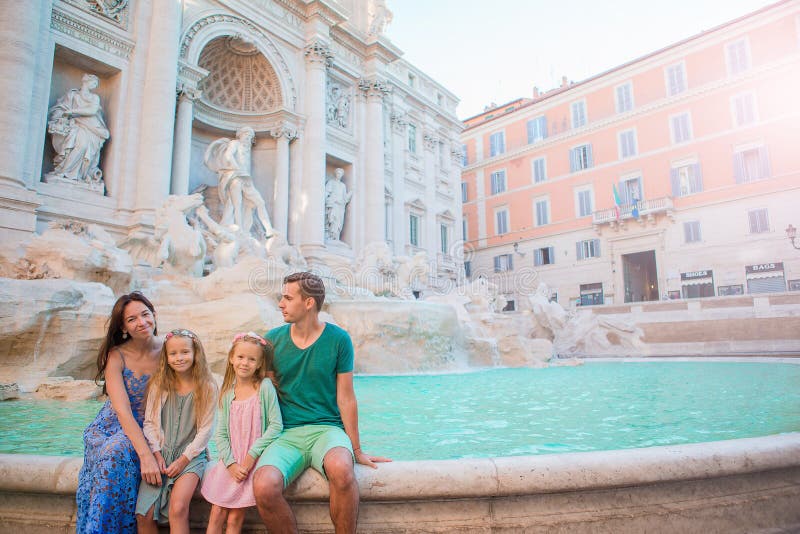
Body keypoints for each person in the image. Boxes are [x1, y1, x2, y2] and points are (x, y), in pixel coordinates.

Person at [253, 272, 391, 534]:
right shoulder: (271, 340)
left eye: (287, 297)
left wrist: (357, 449)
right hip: (285, 434)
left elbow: (346, 397)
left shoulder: (339, 340)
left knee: (342, 470)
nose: (280, 303)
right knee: (263, 487)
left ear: (309, 303)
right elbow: (263, 395)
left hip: (327, 430)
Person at [76, 292, 163, 534]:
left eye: (145, 314)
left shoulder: (170, 349)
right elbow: (122, 410)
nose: (142, 322)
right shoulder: (117, 355)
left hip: (153, 425)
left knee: (118, 452)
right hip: (114, 426)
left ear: (154, 314)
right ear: (123, 327)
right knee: (115, 451)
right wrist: (145, 456)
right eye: (132, 319)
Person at [135, 329, 218, 534]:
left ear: (195, 353)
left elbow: (206, 430)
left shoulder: (206, 387)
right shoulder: (159, 384)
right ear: (166, 356)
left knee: (178, 508)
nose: (179, 358)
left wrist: (183, 460)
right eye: (173, 354)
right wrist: (156, 454)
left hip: (191, 457)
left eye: (185, 352)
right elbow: (149, 423)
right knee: (143, 514)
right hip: (161, 454)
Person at [201, 332, 283, 534]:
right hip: (230, 463)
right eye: (240, 357)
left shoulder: (264, 388)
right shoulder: (227, 393)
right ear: (231, 358)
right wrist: (230, 464)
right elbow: (220, 434)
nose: (245, 363)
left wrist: (248, 459)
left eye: (251, 359)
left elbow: (275, 426)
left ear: (259, 363)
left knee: (236, 517)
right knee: (217, 512)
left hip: (250, 464)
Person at [203, 126, 275, 239]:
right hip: (235, 177)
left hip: (246, 179)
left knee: (260, 202)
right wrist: (236, 168)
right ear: (240, 135)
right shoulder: (235, 143)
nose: (248, 139)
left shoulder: (247, 148)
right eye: (247, 135)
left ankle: (269, 229)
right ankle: (240, 229)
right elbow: (228, 155)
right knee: (237, 204)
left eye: (250, 137)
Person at [47, 73, 110, 186]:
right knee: (79, 145)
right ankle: (64, 172)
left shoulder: (94, 97)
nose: (95, 86)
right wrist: (63, 116)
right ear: (86, 81)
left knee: (84, 146)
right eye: (94, 83)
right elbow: (62, 108)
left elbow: (92, 111)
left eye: (96, 84)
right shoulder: (73, 95)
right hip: (76, 125)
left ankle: (79, 175)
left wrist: (72, 112)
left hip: (91, 126)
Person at [324, 168, 353, 241]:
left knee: (339, 222)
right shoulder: (331, 182)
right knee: (331, 219)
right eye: (337, 173)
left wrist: (351, 192)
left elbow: (345, 198)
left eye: (340, 174)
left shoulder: (343, 185)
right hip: (333, 204)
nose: (338, 175)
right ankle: (330, 236)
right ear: (335, 174)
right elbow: (326, 192)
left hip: (340, 206)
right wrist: (327, 200)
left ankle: (335, 237)